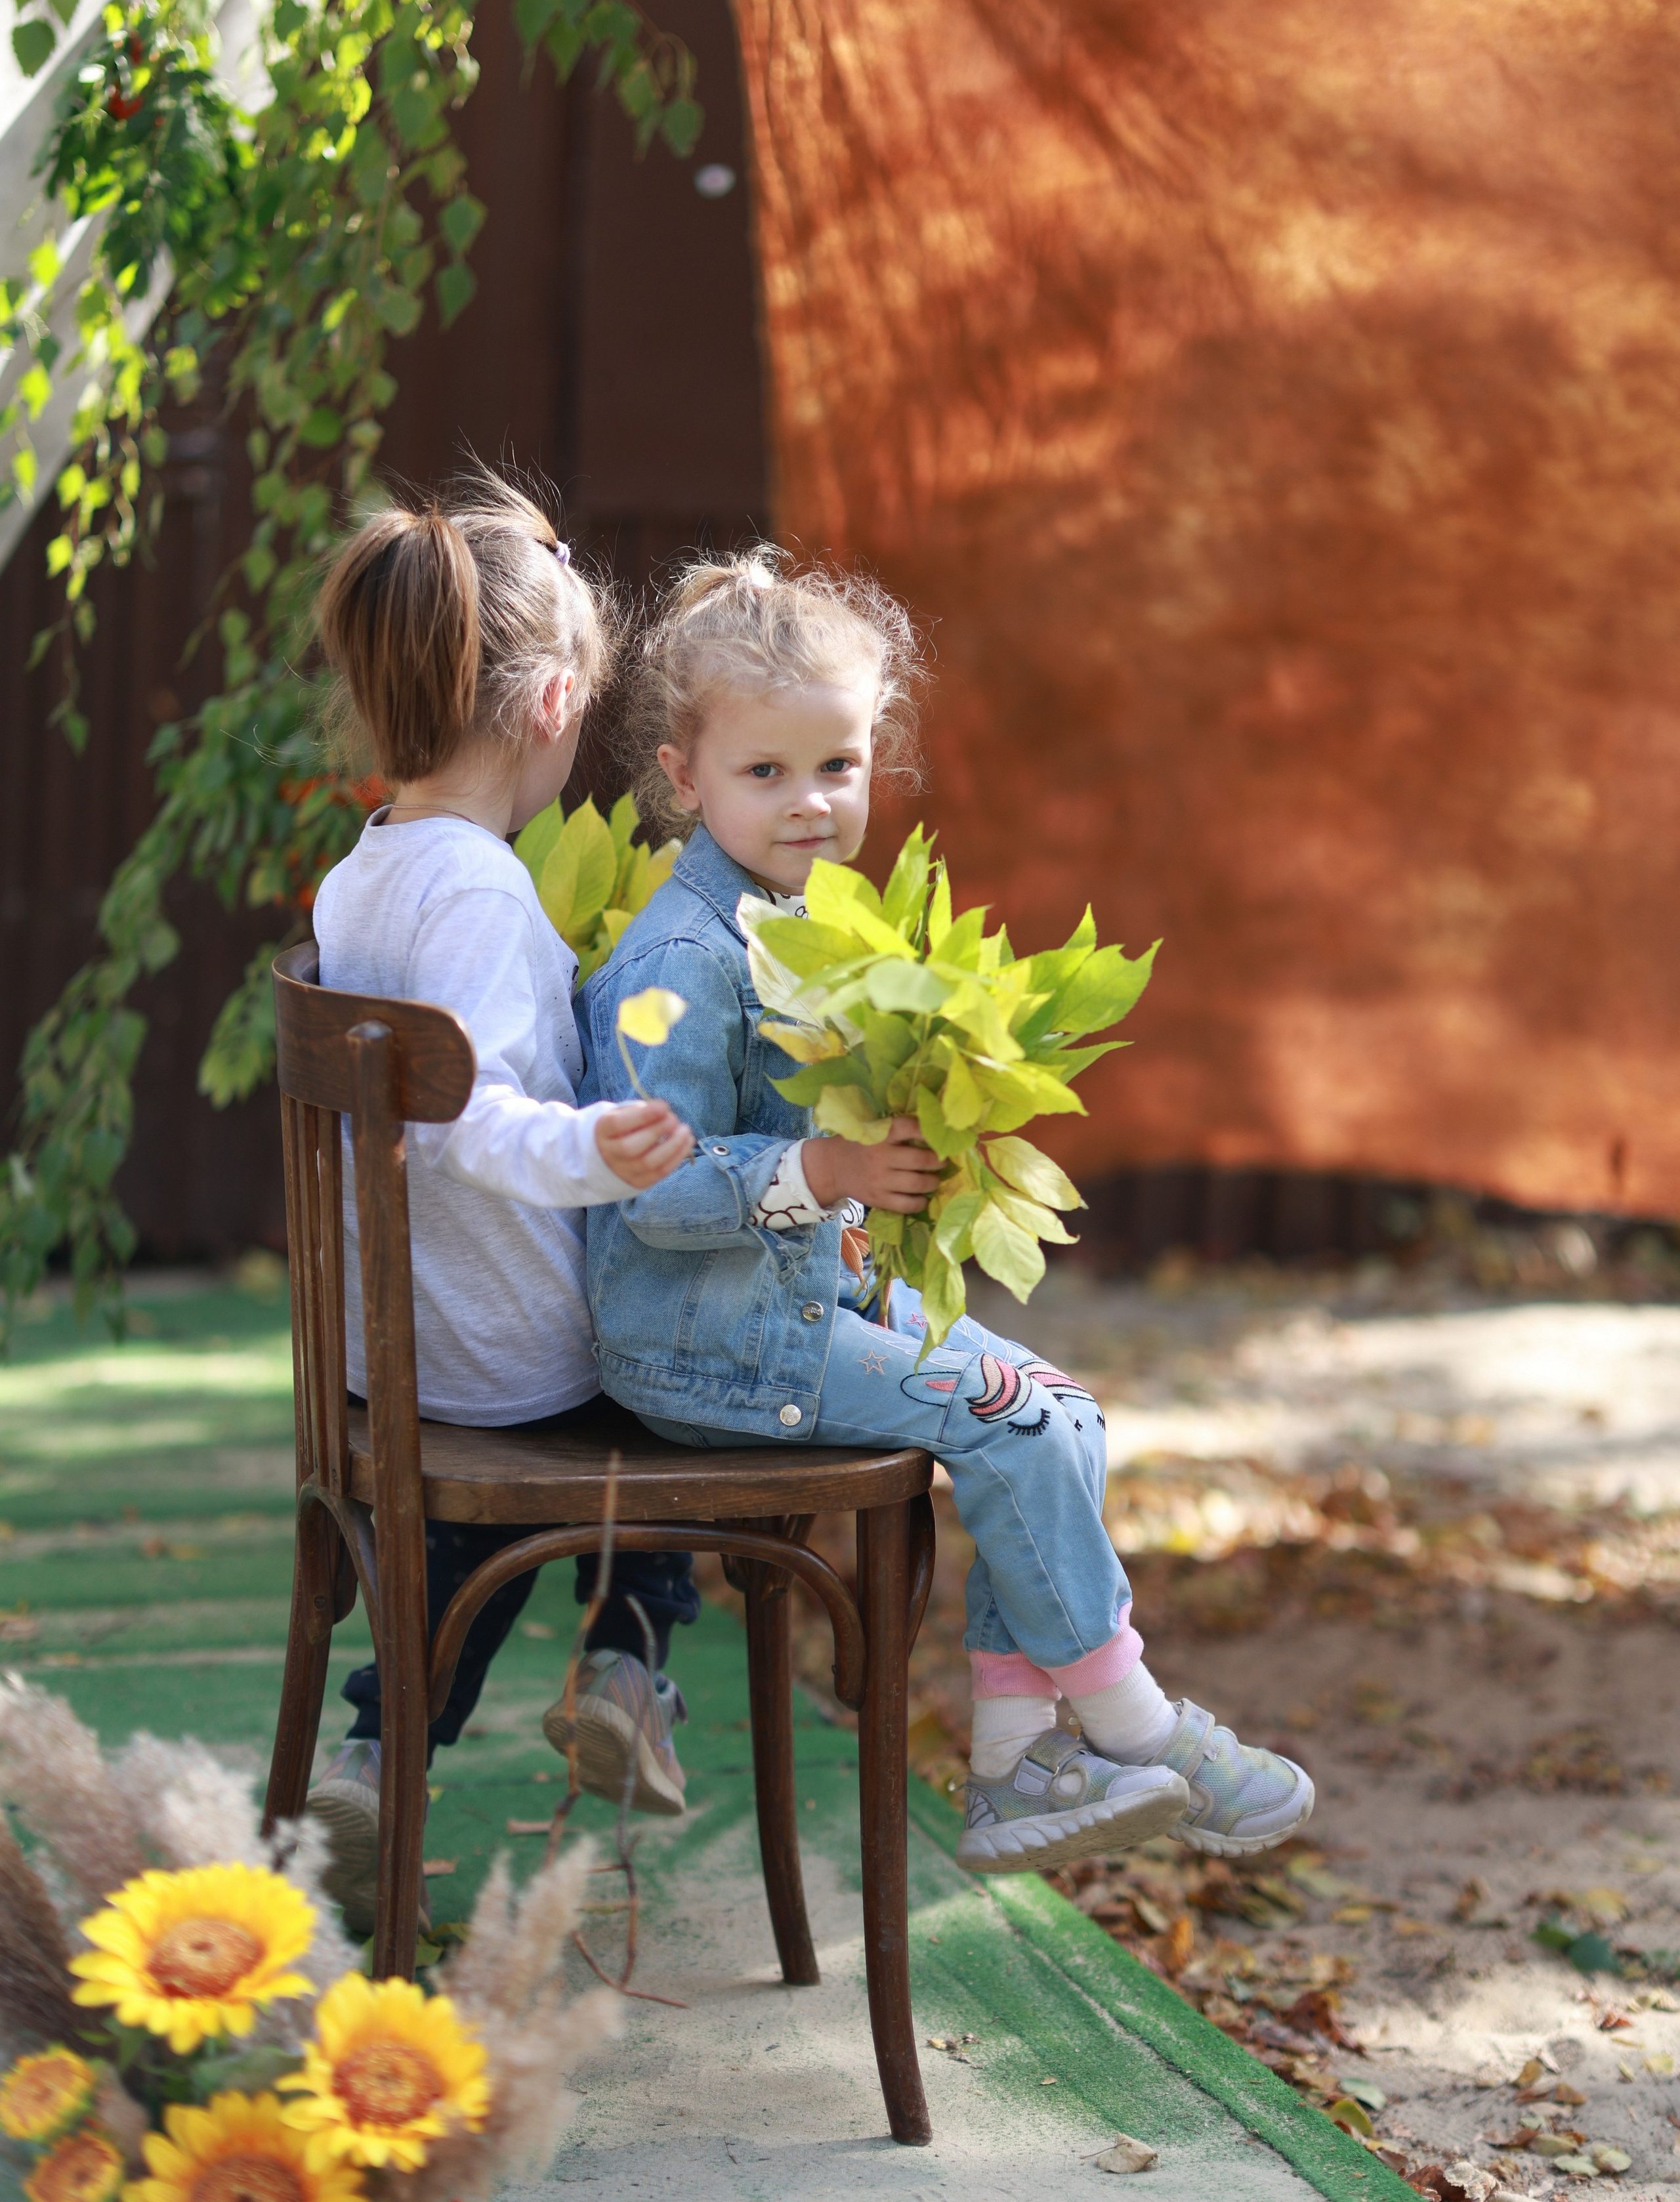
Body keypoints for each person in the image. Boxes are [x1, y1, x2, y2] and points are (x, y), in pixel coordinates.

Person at [581, 551, 1314, 1875]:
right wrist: (831, 1177)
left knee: (1066, 1415)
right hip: (709, 1344)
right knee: (1019, 1426)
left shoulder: (817, 923)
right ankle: (1128, 1725)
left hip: (808, 1307)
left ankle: (1014, 1765)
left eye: (837, 766)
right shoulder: (676, 965)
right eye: (764, 774)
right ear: (683, 778)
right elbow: (651, 1198)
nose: (809, 805)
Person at [303, 475, 698, 1934]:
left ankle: (374, 1748)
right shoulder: (474, 887)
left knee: (461, 1536)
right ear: (546, 712)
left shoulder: (371, 872)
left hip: (402, 1347)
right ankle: (624, 1666)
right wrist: (605, 1148)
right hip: (502, 1350)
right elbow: (472, 1122)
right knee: (677, 1375)